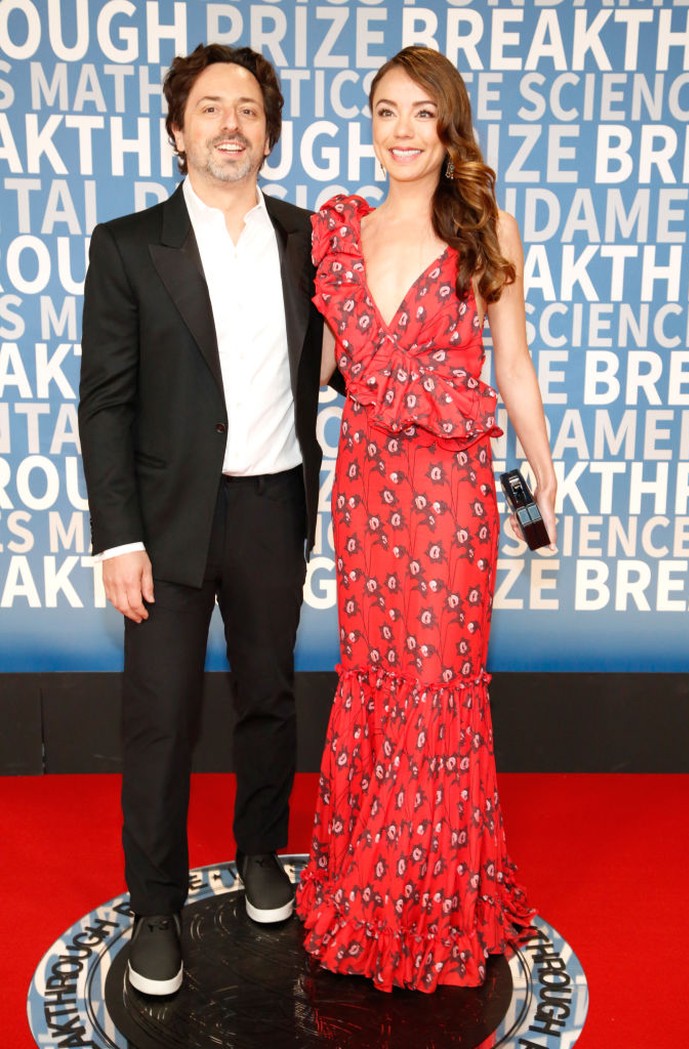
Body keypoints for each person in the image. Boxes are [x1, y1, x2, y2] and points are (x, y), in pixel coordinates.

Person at [296, 46, 557, 993]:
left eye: (421, 113)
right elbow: (324, 363)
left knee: (437, 679)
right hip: (367, 485)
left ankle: (433, 900)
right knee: (376, 673)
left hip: (451, 490)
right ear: (370, 125)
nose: (402, 132)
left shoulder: (486, 226)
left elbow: (512, 361)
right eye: (385, 112)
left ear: (450, 127)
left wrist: (542, 465)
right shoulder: (340, 229)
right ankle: (365, 881)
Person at [78, 44, 324, 996]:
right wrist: (119, 536)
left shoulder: (310, 239)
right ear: (178, 132)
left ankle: (261, 850)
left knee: (269, 696)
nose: (232, 124)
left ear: (269, 132)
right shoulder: (128, 245)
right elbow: (106, 402)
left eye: (249, 109)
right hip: (166, 521)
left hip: (272, 504)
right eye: (212, 108)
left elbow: (348, 356)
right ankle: (155, 906)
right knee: (161, 717)